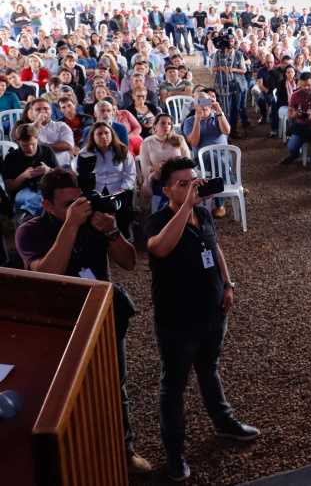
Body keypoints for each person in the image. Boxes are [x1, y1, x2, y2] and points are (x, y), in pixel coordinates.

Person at [14, 168, 151, 475]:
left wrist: (112, 231)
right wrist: (71, 227)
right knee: (62, 394)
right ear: (47, 205)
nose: (79, 208)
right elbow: (46, 275)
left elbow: (129, 263)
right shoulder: (30, 231)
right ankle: (75, 458)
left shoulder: (94, 220)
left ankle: (125, 451)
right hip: (61, 323)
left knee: (115, 385)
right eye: (68, 205)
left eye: (80, 201)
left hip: (102, 316)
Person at [144, 156, 260, 482]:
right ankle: (175, 453)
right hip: (177, 320)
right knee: (174, 384)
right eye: (183, 184)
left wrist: (228, 284)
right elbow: (159, 249)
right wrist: (186, 207)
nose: (193, 187)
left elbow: (216, 248)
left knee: (209, 368)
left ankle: (224, 423)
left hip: (212, 312)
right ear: (167, 190)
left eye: (194, 180)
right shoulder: (157, 221)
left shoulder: (205, 213)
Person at [80, 122, 137, 236]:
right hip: (96, 189)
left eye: (106, 133)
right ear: (93, 136)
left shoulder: (122, 150)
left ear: (112, 134)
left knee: (123, 212)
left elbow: (130, 174)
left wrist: (122, 189)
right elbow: (81, 175)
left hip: (119, 188)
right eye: (99, 134)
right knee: (91, 212)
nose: (103, 137)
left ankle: (123, 236)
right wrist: (91, 192)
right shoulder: (85, 153)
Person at [183, 93, 232, 218]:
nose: (203, 106)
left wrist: (219, 110)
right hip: (201, 155)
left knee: (218, 161)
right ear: (195, 105)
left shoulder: (217, 116)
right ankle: (232, 183)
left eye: (205, 102)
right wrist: (197, 121)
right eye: (200, 102)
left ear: (210, 104)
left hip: (223, 153)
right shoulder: (189, 121)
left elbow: (226, 131)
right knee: (213, 158)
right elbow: (194, 142)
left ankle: (220, 205)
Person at [2, 123, 58, 224]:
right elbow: (8, 187)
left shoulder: (47, 151)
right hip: (23, 192)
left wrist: (48, 170)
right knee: (45, 202)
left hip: (45, 189)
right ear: (18, 142)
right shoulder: (11, 157)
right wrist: (23, 176)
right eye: (25, 145)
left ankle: (25, 214)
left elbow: (60, 175)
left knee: (44, 204)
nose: (30, 148)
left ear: (37, 139)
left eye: (33, 144)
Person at [139, 113, 190, 209]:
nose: (166, 126)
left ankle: (165, 218)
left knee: (172, 189)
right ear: (155, 126)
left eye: (169, 124)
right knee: (168, 189)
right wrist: (157, 166)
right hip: (159, 178)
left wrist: (175, 165)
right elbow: (145, 169)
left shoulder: (179, 139)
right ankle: (171, 216)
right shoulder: (146, 143)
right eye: (163, 123)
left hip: (179, 176)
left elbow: (188, 161)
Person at [212, 34, 248, 138]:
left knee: (235, 108)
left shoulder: (239, 54)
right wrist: (221, 68)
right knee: (224, 107)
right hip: (222, 83)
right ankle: (224, 131)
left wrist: (233, 70)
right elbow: (213, 69)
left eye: (232, 41)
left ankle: (234, 130)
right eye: (228, 41)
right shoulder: (218, 54)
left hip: (235, 84)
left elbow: (244, 70)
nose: (230, 43)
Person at [31, 97, 74, 167]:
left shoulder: (61, 126)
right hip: (36, 168)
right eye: (38, 109)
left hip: (62, 167)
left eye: (45, 108)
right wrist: (39, 122)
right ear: (32, 113)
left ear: (51, 111)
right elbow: (29, 141)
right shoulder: (27, 127)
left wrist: (40, 148)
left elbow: (68, 145)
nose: (42, 111)